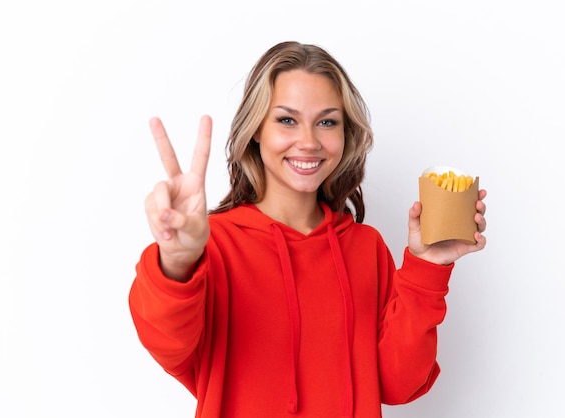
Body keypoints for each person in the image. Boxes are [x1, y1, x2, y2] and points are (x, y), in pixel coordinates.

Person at [128, 41, 487, 418]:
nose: (309, 142)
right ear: (256, 130)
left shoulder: (366, 248)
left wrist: (426, 267)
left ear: (345, 134)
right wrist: (179, 260)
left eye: (327, 122)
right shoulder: (215, 246)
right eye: (286, 120)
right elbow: (167, 344)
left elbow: (398, 383)